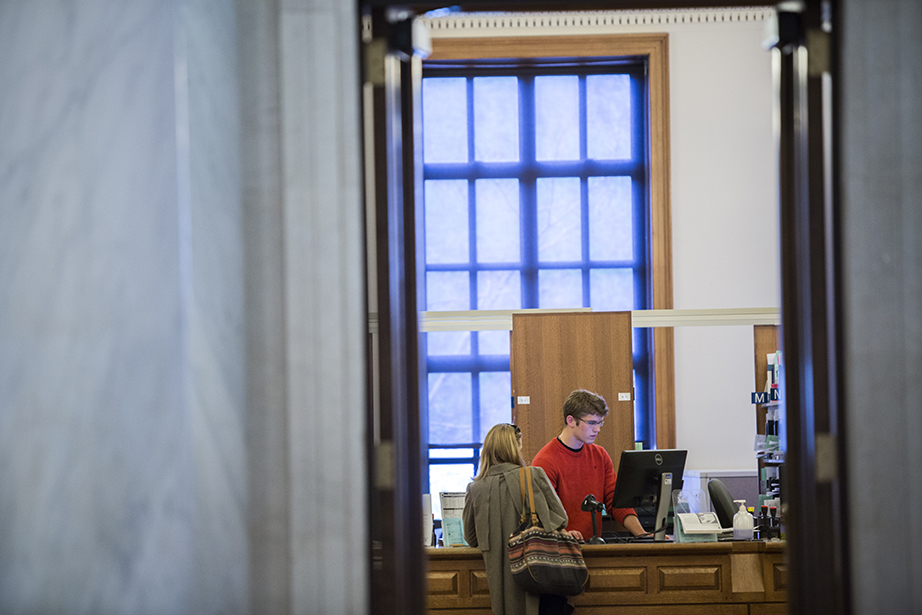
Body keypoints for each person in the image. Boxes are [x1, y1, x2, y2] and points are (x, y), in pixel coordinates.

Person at [462, 423, 574, 615]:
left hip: (499, 586)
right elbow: (560, 518)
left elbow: (471, 538)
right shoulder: (532, 475)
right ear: (515, 446)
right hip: (537, 573)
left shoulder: (475, 488)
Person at [532, 389, 646, 541]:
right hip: (560, 551)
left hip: (593, 549)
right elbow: (543, 514)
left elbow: (616, 502)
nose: (597, 429)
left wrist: (643, 535)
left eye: (599, 423)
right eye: (591, 423)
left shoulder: (600, 455)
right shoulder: (545, 461)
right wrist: (563, 532)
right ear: (571, 420)